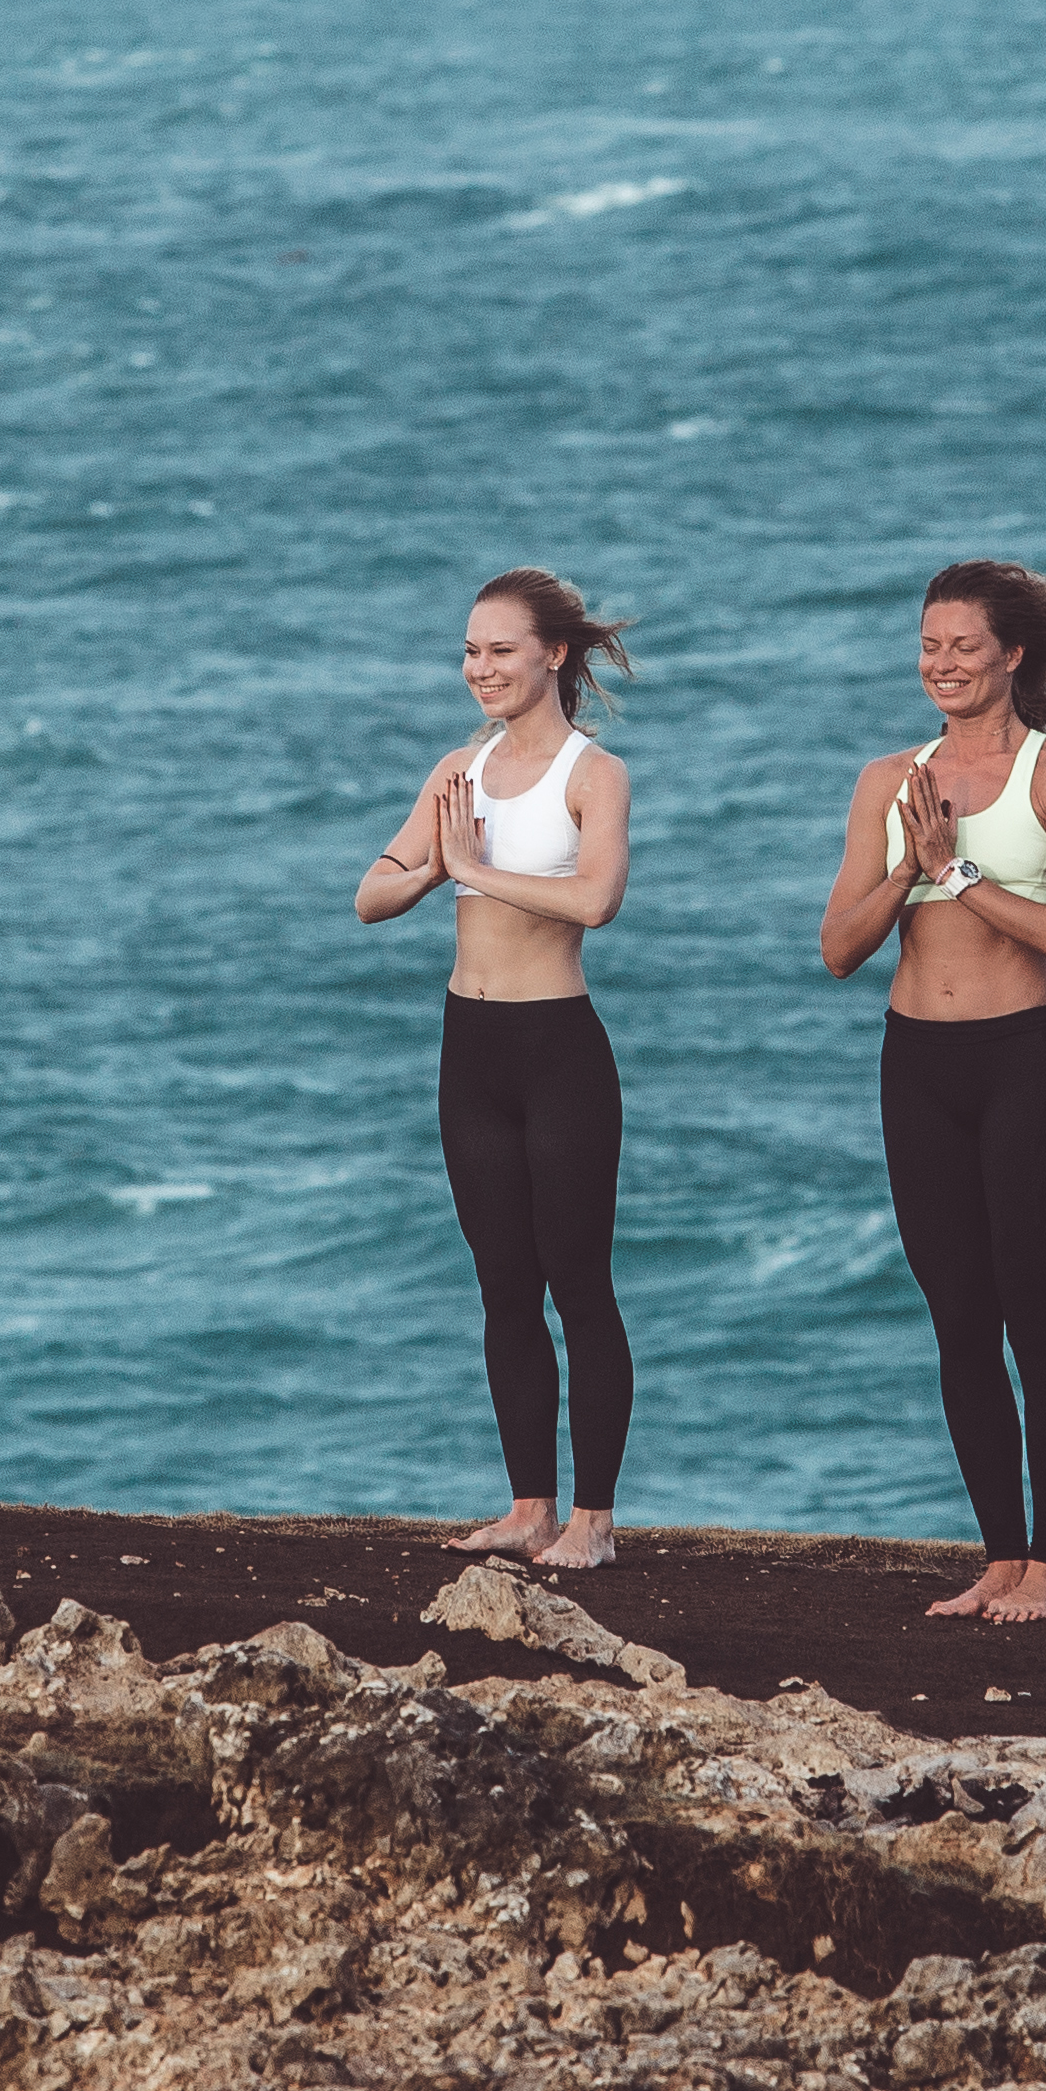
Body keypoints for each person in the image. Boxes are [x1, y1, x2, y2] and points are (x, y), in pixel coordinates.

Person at [821, 560, 1046, 1624]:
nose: (939, 664)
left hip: (1021, 1059)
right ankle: (997, 1558)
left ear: (1011, 654)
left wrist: (959, 875)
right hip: (917, 1065)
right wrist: (908, 863)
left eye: (961, 646)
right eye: (927, 645)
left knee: (1033, 1315)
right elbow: (837, 947)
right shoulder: (885, 781)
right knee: (957, 1318)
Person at [357, 568, 636, 1571]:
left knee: (578, 1281)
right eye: (469, 651)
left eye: (500, 649)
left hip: (556, 1048)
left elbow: (595, 897)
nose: (479, 668)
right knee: (503, 1286)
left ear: (552, 653)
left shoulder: (588, 773)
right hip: (466, 1049)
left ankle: (593, 1522)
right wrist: (431, 864)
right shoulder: (455, 772)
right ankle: (528, 1505)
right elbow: (369, 894)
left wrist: (468, 868)